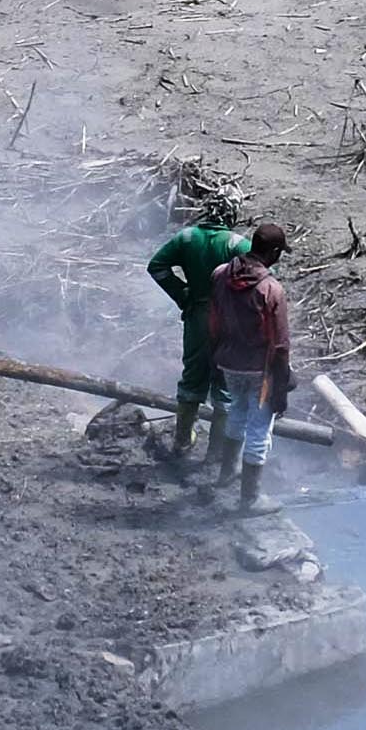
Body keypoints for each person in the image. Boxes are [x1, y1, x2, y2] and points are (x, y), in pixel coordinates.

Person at [142, 215, 253, 473]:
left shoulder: (187, 237)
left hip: (197, 319)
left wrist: (182, 294)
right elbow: (264, 276)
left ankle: (181, 442)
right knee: (225, 387)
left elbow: (157, 266)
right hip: (228, 322)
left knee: (192, 379)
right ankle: (215, 455)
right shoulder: (238, 244)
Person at [207, 223, 296, 511]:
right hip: (261, 370)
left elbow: (213, 322)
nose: (279, 257)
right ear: (271, 252)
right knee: (260, 429)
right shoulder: (271, 290)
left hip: (228, 363)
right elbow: (280, 345)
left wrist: (215, 357)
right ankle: (250, 499)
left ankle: (226, 474)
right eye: (279, 252)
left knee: (237, 412)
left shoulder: (220, 274)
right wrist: (280, 389)